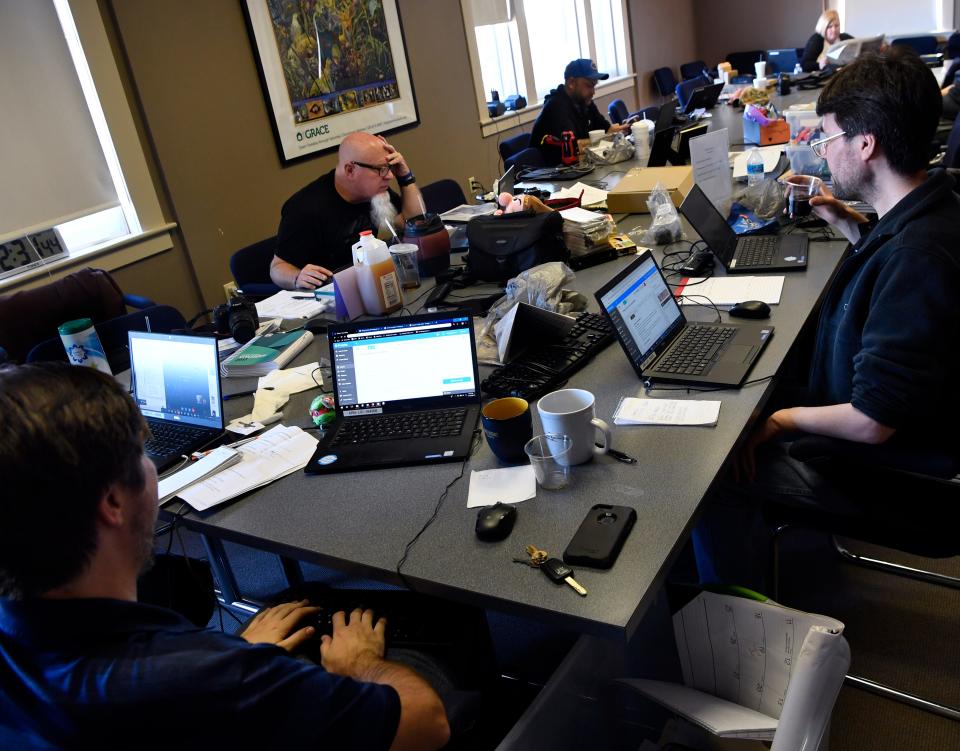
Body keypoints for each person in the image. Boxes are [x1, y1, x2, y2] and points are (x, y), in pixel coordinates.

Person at [0, 362, 450, 750]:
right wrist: (360, 665)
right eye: (141, 456)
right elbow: (425, 723)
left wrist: (233, 652)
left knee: (303, 596)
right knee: (444, 626)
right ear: (113, 502)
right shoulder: (203, 681)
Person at [695, 48, 960, 587]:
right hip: (893, 428)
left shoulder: (920, 259)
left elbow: (871, 420)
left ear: (866, 145)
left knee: (711, 468)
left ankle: (736, 621)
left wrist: (779, 420)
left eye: (825, 139)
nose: (820, 154)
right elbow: (894, 282)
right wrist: (851, 223)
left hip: (887, 473)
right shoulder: (935, 206)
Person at [270, 132, 425, 290]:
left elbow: (415, 225)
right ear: (350, 170)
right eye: (382, 169)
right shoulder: (305, 208)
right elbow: (277, 267)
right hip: (330, 293)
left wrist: (405, 176)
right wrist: (297, 277)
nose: (390, 175)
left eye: (390, 167)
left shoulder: (374, 191)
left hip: (366, 283)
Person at [529, 58, 629, 166]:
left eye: (594, 86)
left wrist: (623, 129)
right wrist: (607, 136)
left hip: (575, 167)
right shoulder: (556, 107)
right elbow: (575, 147)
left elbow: (606, 129)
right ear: (571, 83)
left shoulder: (584, 102)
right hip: (550, 174)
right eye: (589, 86)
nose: (593, 92)